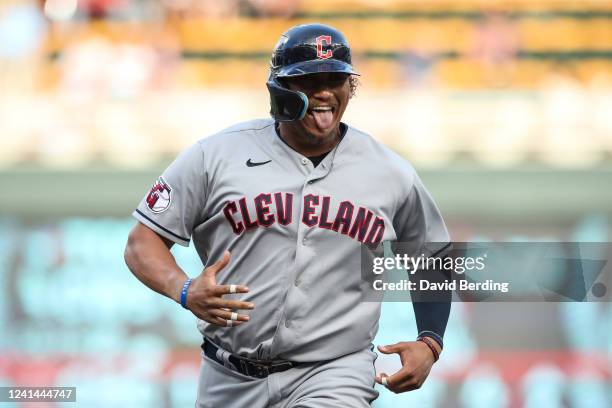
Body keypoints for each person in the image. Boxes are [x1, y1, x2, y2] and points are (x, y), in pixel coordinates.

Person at [124, 23, 451, 407]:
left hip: (335, 370)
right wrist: (183, 288)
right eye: (310, 80)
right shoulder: (215, 156)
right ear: (280, 89)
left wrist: (430, 341)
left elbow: (432, 254)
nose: (326, 91)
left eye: (336, 79)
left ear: (352, 87)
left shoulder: (389, 171)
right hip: (228, 375)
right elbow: (141, 242)